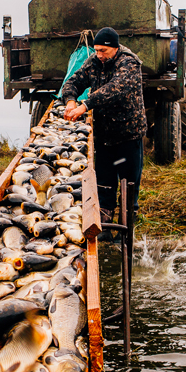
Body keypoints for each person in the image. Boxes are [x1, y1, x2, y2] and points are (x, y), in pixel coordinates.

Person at [62, 27, 146, 230]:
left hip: (128, 137)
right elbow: (73, 81)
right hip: (104, 138)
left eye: (103, 51)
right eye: (96, 50)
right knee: (104, 186)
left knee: (128, 187)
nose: (99, 55)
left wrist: (85, 105)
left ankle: (126, 234)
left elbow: (115, 89)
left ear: (115, 48)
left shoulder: (129, 63)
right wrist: (71, 101)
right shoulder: (94, 62)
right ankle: (105, 232)